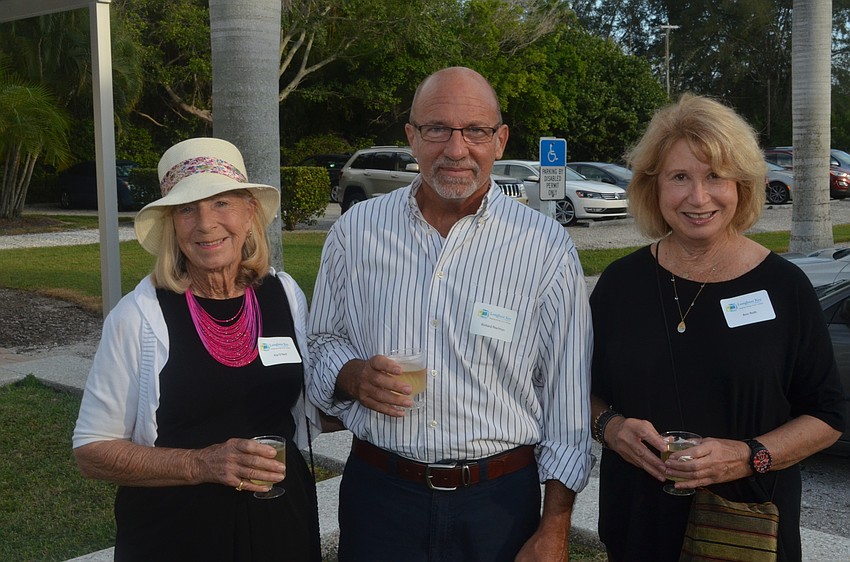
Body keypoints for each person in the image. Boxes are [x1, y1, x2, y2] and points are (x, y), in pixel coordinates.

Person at [306, 66, 593, 561]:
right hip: (381, 497)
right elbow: (320, 343)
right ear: (412, 138)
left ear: (500, 141)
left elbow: (567, 395)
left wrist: (554, 529)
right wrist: (352, 376)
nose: (456, 149)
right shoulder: (356, 232)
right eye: (437, 129)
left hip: (499, 505)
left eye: (475, 131)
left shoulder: (544, 246)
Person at [589, 94, 846, 561]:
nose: (698, 197)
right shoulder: (620, 284)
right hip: (637, 529)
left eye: (715, 177)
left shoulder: (784, 287)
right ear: (654, 186)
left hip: (744, 533)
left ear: (742, 185)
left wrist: (748, 455)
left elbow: (827, 417)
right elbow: (583, 391)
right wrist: (610, 427)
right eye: (680, 177)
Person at [73, 138, 325, 561]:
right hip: (177, 532)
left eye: (222, 203)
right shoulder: (139, 316)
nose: (206, 224)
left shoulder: (284, 294)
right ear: (172, 224)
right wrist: (201, 464)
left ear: (249, 215)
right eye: (187, 209)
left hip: (280, 520)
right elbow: (92, 452)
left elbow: (307, 403)